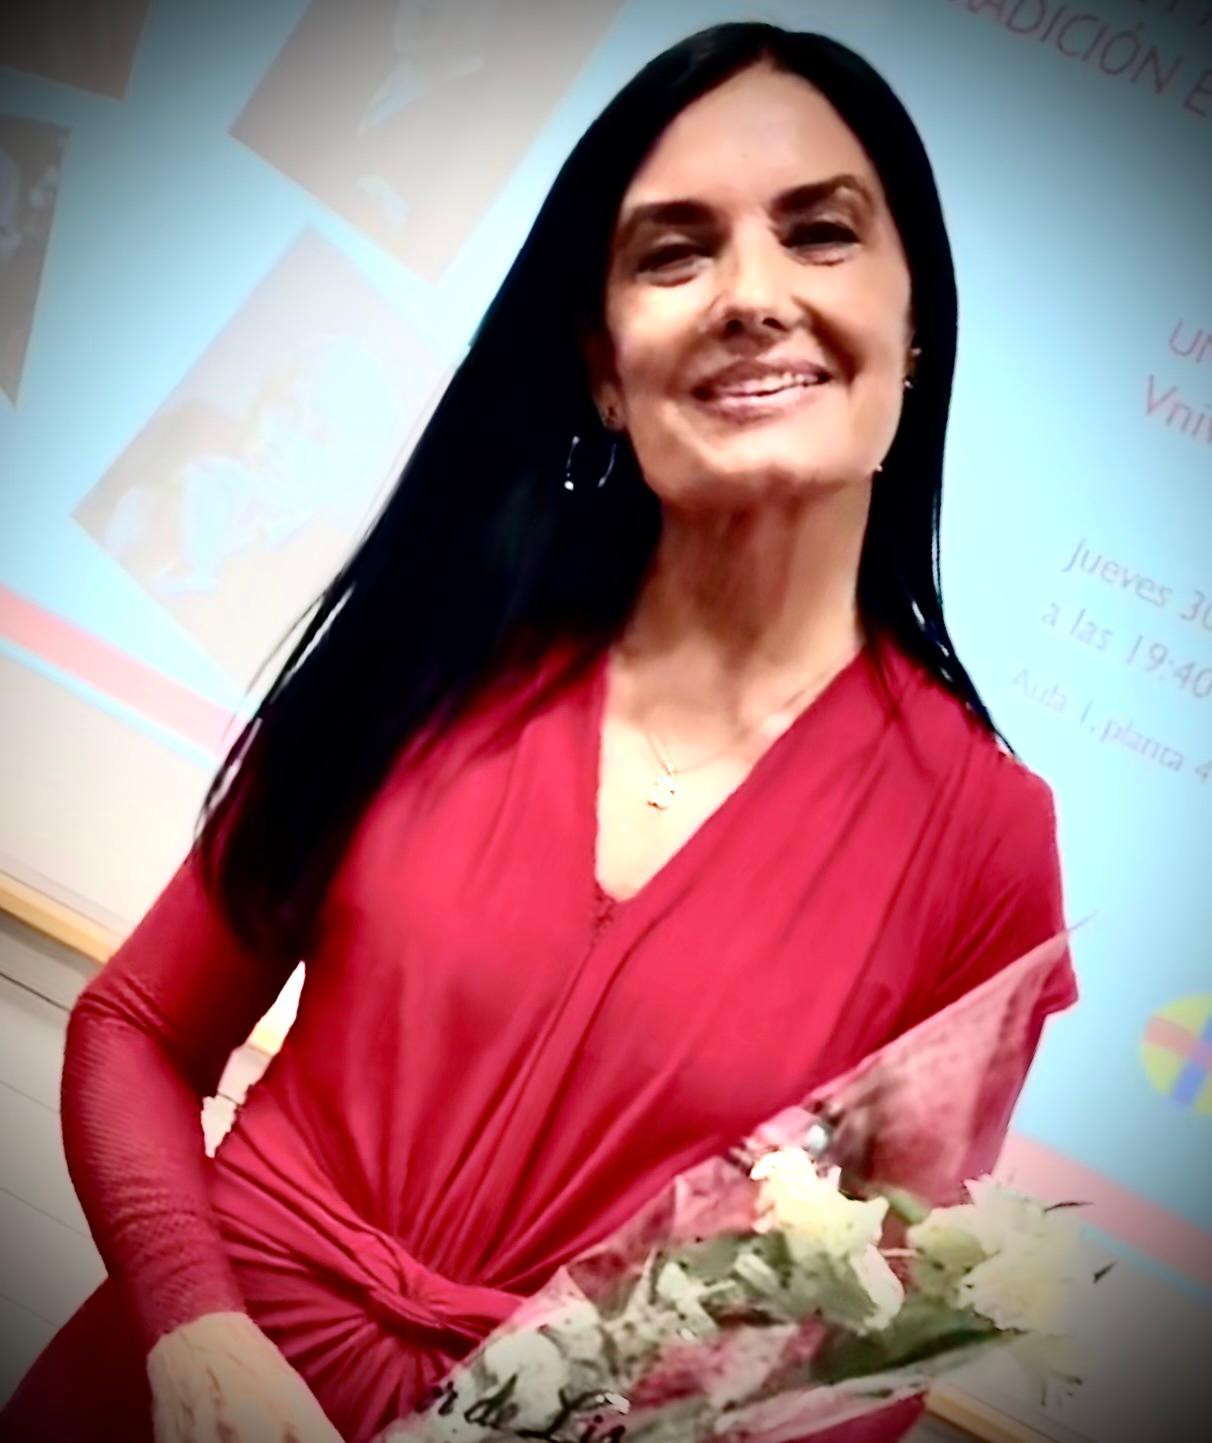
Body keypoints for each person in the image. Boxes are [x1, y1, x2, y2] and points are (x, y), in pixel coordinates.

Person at [1, 22, 1078, 1443]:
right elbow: (136, 1029)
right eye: (674, 254)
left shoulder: (985, 840)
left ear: (916, 323)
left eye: (820, 234)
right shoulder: (434, 641)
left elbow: (854, 1352)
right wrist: (193, 1327)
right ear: (602, 367)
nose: (753, 295)